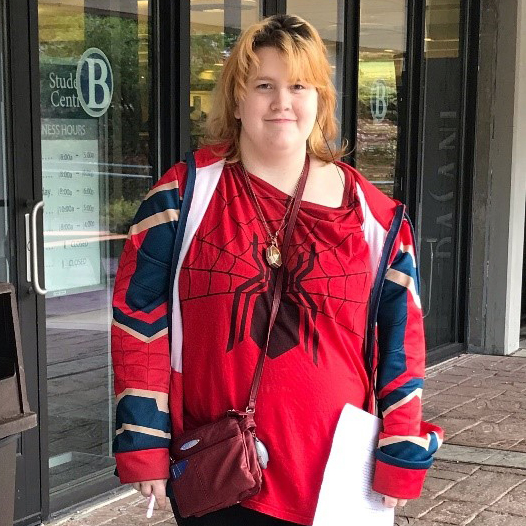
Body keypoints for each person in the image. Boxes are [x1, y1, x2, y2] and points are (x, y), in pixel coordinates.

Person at [111, 14, 444, 526]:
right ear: (237, 99)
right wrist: (143, 442)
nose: (281, 102)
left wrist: (400, 448)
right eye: (263, 85)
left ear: (320, 99)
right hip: (221, 470)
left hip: (336, 475)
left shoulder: (376, 218)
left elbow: (402, 344)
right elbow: (138, 323)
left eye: (298, 85)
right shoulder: (183, 197)